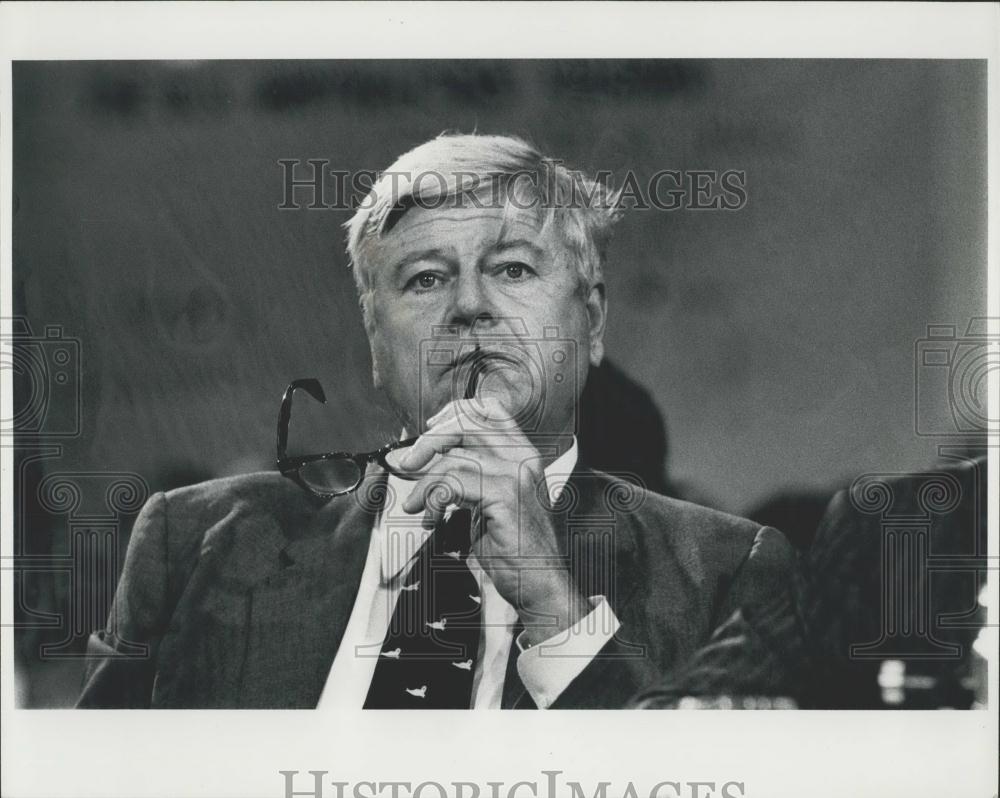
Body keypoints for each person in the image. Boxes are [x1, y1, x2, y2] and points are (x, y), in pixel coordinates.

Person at [77, 133, 794, 709]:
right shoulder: (196, 543)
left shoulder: (728, 570)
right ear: (375, 342)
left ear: (594, 318)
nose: (469, 306)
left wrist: (555, 610)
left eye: (512, 269)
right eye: (425, 278)